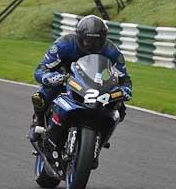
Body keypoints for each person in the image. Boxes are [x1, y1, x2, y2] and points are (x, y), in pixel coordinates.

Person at [28, 15, 132, 148]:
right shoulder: (64, 44)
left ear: (104, 39)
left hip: (97, 86)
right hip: (67, 81)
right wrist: (50, 77)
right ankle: (39, 122)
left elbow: (124, 79)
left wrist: (126, 89)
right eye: (88, 41)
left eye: (97, 41)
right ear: (79, 36)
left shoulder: (112, 51)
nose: (92, 45)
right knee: (40, 96)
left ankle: (101, 139)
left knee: (120, 106)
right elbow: (41, 69)